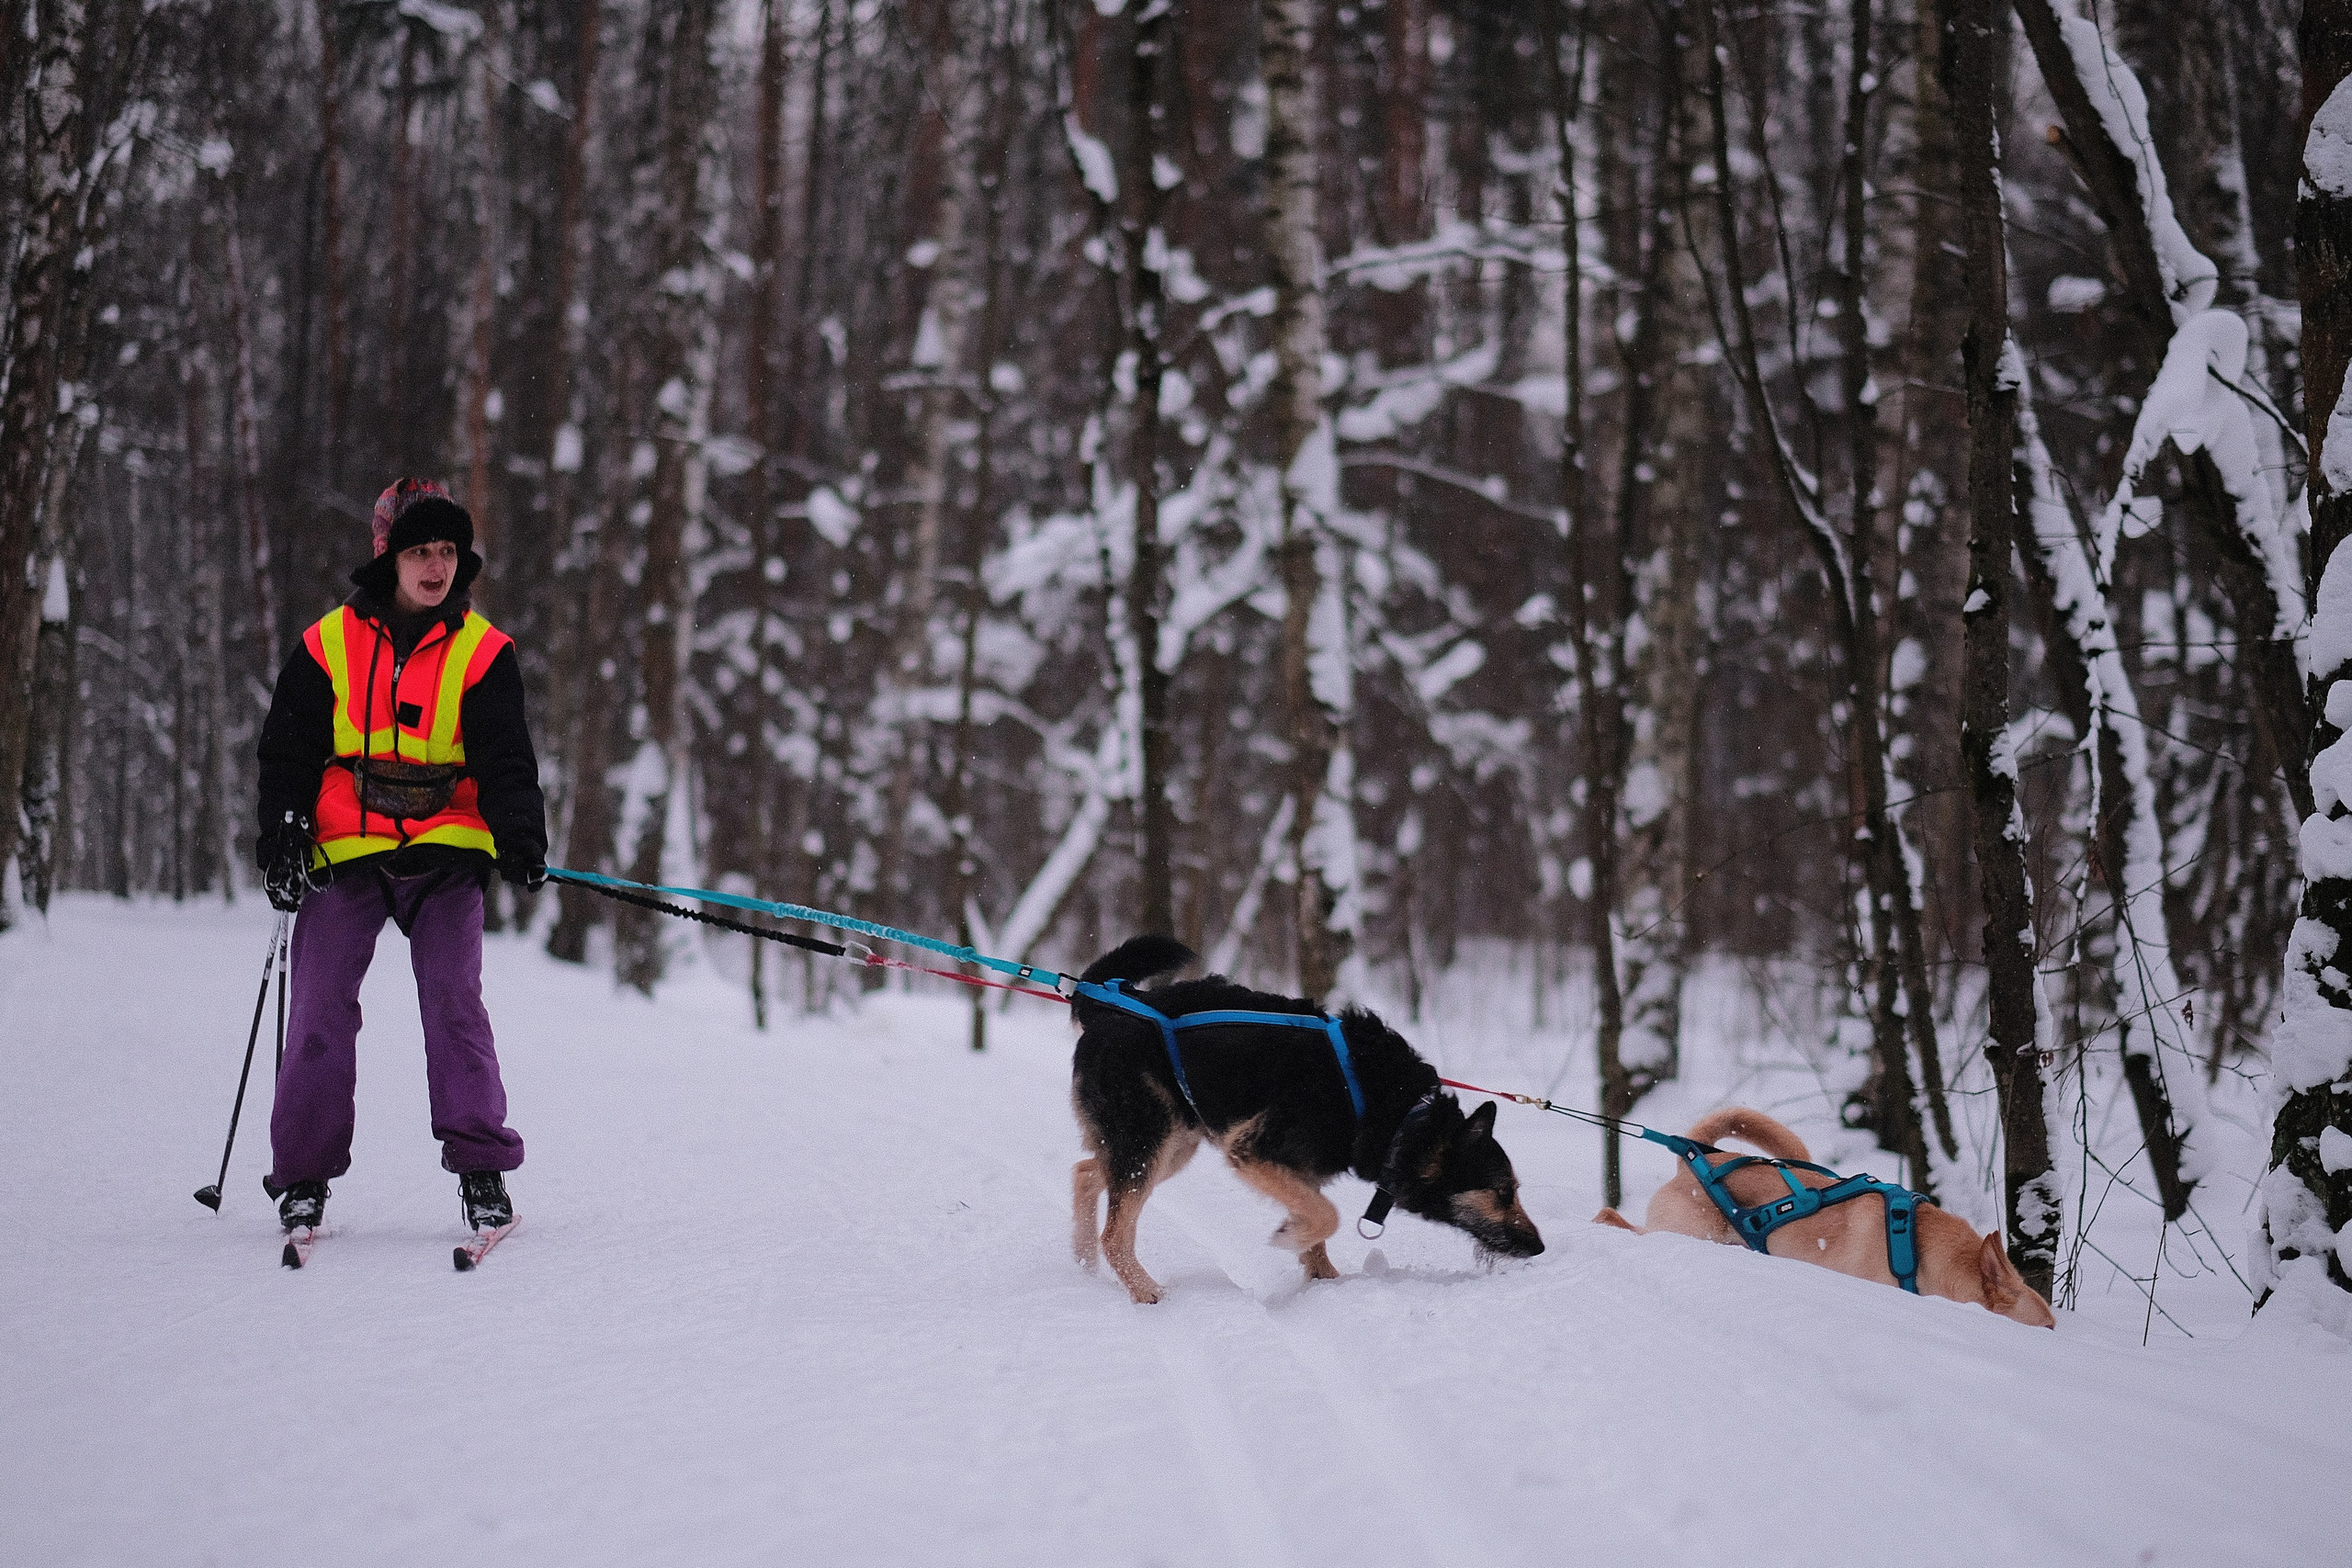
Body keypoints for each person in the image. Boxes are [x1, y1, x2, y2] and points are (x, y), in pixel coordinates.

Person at [254, 478, 548, 1236]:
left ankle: (482, 1168)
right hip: (347, 847)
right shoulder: (327, 644)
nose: (437, 566)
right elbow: (288, 749)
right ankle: (304, 1178)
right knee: (320, 1009)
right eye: (421, 550)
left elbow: (507, 759)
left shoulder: (484, 653)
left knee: (454, 1002)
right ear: (389, 556)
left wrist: (520, 835)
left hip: (446, 848)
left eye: (448, 551)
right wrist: (284, 829)